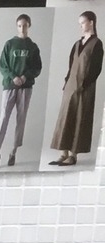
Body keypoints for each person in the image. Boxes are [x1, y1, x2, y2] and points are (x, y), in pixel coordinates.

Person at [50, 9, 103, 162]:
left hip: (84, 88)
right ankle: (63, 153)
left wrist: (85, 84)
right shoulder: (77, 43)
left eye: (83, 23)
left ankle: (73, 155)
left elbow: (96, 68)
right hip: (70, 86)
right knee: (65, 118)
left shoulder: (97, 44)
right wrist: (67, 82)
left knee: (79, 118)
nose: (80, 26)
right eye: (79, 23)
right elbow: (71, 65)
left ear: (91, 22)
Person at [0, 12, 42, 166]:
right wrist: (13, 77)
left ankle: (13, 152)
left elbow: (37, 68)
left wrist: (25, 77)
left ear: (29, 26)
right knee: (4, 117)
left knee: (21, 119)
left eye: (25, 25)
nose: (22, 29)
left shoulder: (33, 47)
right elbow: (2, 65)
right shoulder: (10, 44)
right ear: (16, 26)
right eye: (20, 26)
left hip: (26, 88)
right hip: (10, 85)